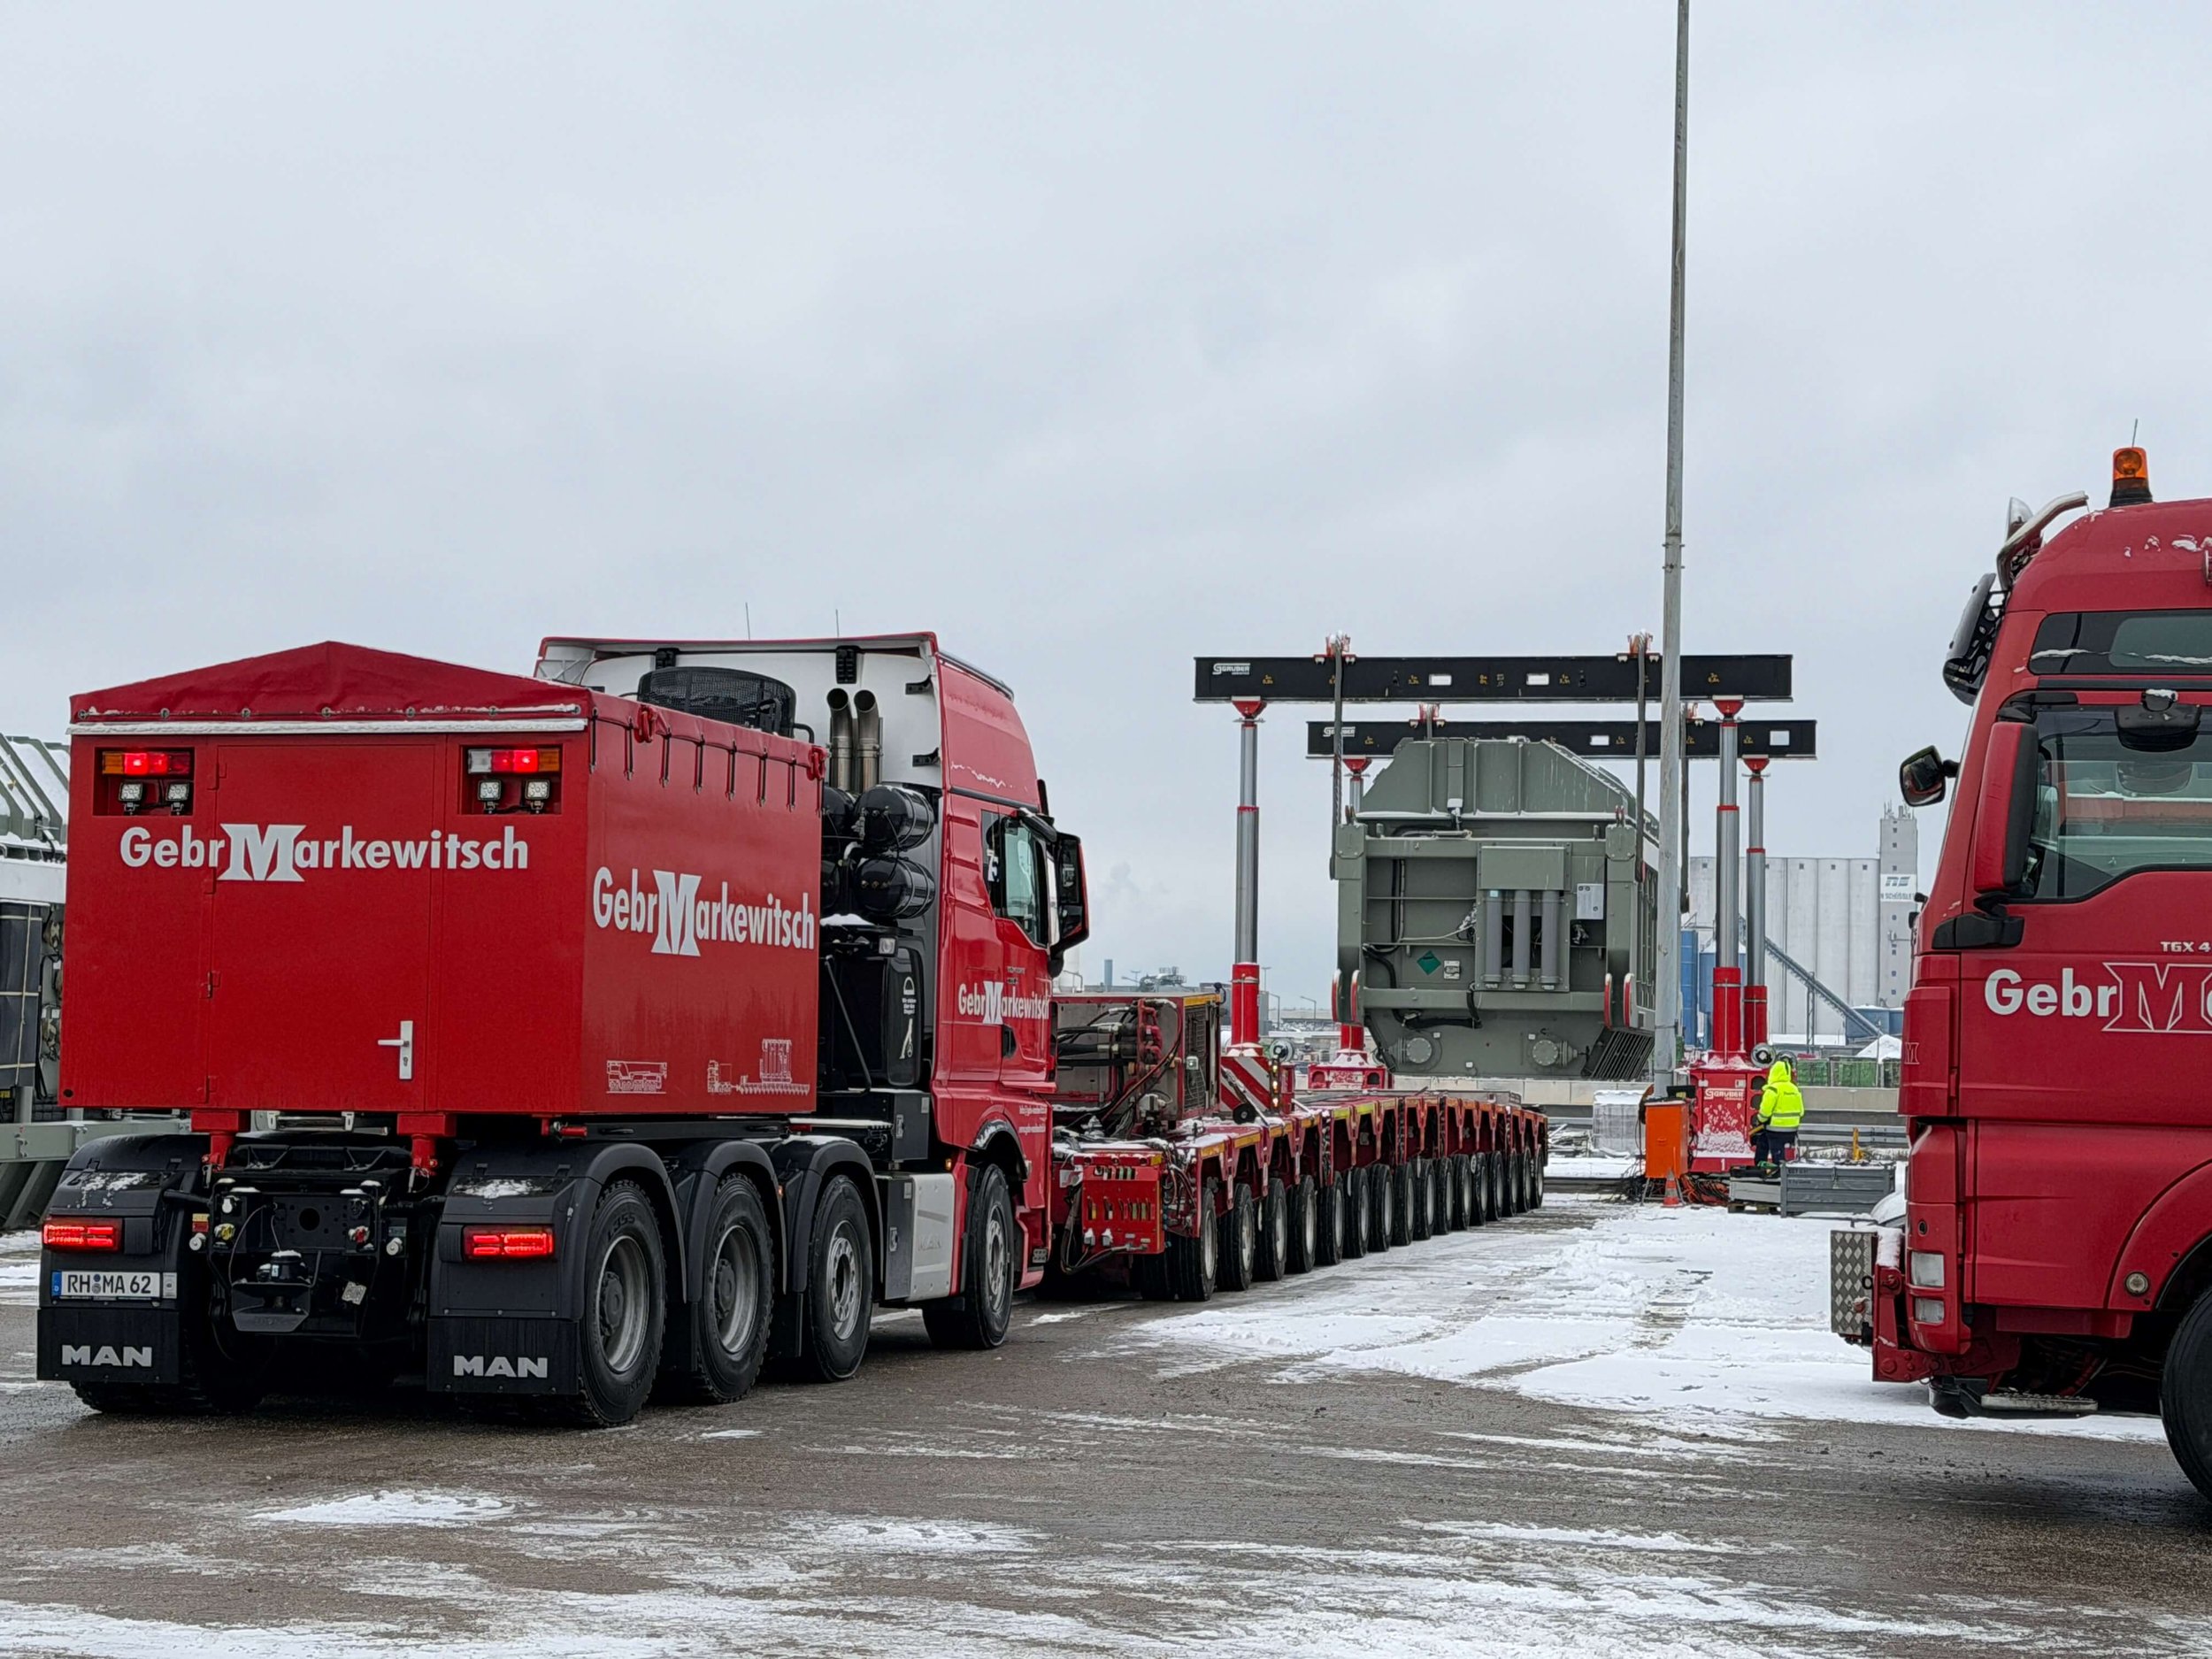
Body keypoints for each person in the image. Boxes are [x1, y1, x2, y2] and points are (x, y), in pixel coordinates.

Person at [1751, 1056, 1803, 1169]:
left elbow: (1765, 1111)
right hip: (1792, 1129)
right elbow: (1801, 1111)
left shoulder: (1773, 1089)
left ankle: (1770, 1169)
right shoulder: (1794, 1089)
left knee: (1769, 1146)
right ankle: (1777, 1167)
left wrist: (1759, 1120)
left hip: (1775, 1129)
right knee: (1767, 1141)